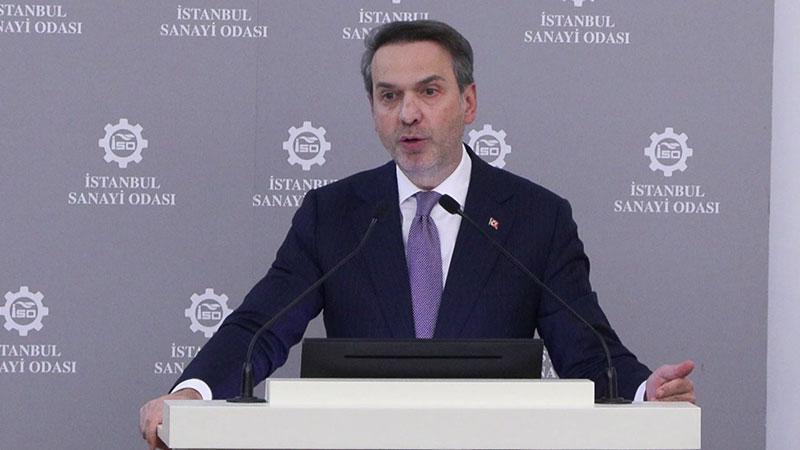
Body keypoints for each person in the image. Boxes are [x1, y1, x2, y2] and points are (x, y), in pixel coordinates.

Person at [139, 20, 695, 449]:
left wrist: (646, 392)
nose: (408, 113)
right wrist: (191, 394)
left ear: (468, 103)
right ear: (373, 109)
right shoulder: (333, 214)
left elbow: (588, 351)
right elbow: (259, 327)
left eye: (429, 92)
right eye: (389, 96)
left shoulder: (536, 217)